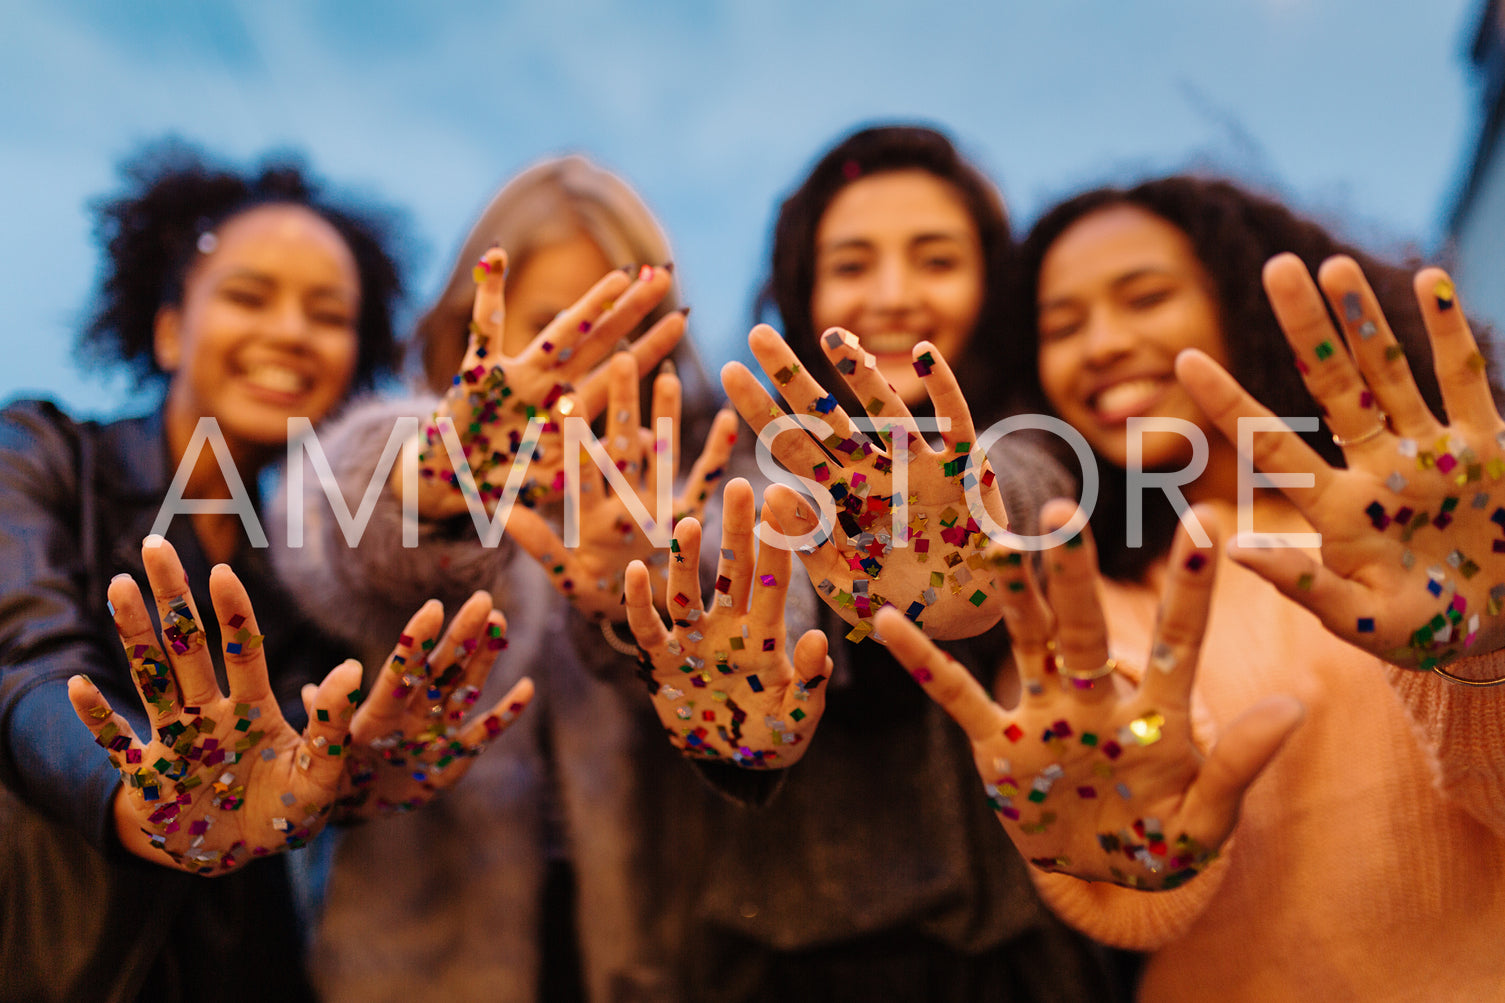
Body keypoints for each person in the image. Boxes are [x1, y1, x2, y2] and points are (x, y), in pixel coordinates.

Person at [878, 176, 1505, 999]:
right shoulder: (1072, 597)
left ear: (1239, 303)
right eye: (1061, 325)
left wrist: (1479, 650)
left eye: (1144, 297)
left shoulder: (1437, 533)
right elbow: (1136, 887)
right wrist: (1133, 854)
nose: (1101, 343)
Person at [0, 140, 530, 1003]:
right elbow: (23, 661)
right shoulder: (41, 453)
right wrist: (137, 793)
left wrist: (344, 782)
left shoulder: (314, 565)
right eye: (249, 295)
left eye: (327, 314)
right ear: (169, 329)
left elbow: (293, 770)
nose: (288, 331)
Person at [630, 125, 1119, 1001]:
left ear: (990, 280)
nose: (893, 297)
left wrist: (962, 541)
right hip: (766, 968)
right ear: (802, 285)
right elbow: (725, 559)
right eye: (852, 264)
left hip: (1010, 962)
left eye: (935, 260)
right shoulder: (740, 455)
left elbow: (1022, 496)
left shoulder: (1038, 436)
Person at [270, 154, 736, 1002]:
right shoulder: (413, 440)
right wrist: (431, 486)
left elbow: (742, 652)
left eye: (621, 327)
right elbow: (338, 526)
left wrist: (649, 580)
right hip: (421, 968)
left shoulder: (691, 483)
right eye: (554, 322)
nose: (589, 359)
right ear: (468, 326)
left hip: (653, 958)